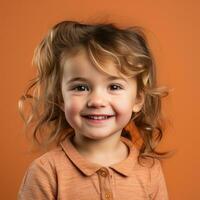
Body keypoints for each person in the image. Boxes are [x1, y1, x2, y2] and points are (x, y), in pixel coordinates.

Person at [18, 20, 170, 200]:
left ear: (138, 99)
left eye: (114, 87)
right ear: (60, 98)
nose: (97, 101)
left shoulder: (149, 170)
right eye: (81, 88)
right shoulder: (46, 172)